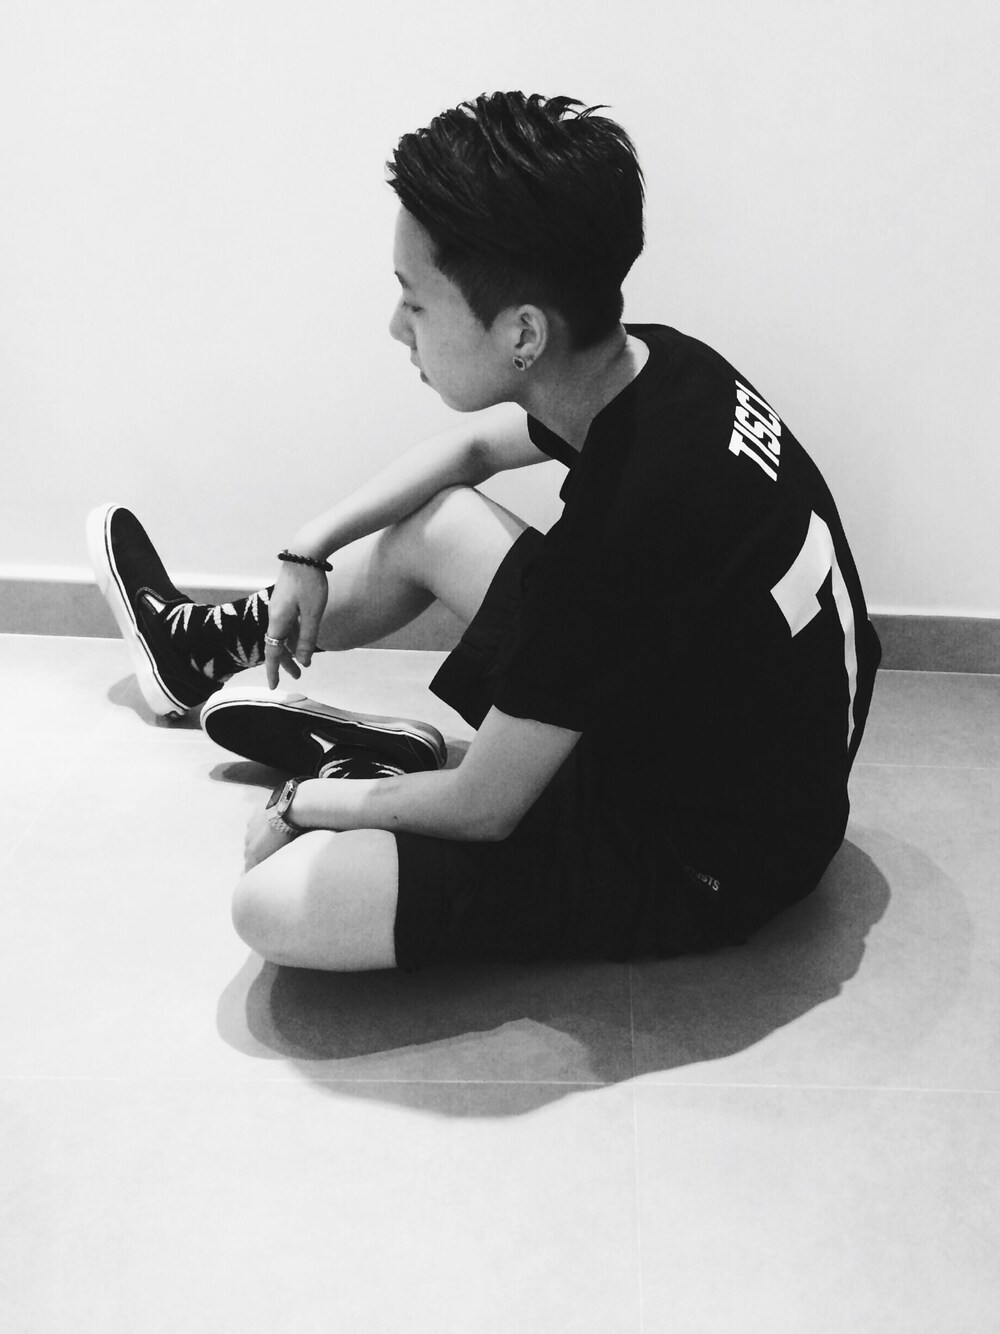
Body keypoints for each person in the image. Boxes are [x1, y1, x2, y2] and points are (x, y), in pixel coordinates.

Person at [88, 91, 881, 975]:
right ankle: (197, 650)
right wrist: (311, 545)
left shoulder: (622, 536)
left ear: (523, 333)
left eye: (415, 304)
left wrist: (300, 803)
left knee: (276, 907)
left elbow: (481, 809)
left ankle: (364, 770)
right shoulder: (660, 365)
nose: (397, 328)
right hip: (704, 724)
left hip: (701, 859)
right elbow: (470, 451)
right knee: (440, 523)